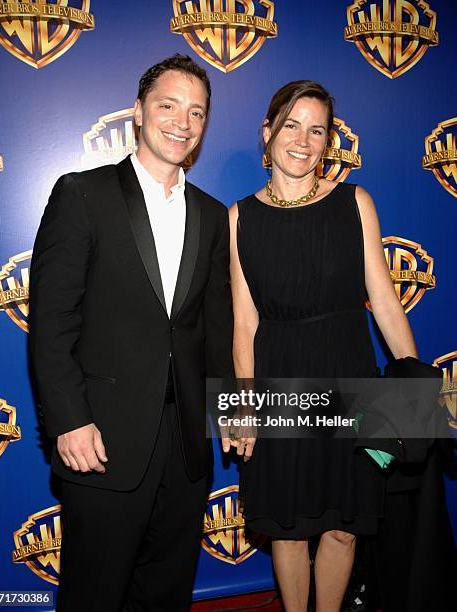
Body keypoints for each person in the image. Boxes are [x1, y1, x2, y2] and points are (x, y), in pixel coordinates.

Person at [29, 54, 233, 612]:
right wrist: (69, 419)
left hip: (186, 448)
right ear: (138, 112)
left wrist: (234, 412)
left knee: (165, 595)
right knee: (94, 595)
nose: (182, 122)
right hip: (101, 441)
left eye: (196, 112)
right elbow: (51, 324)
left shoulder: (213, 216)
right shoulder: (82, 194)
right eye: (168, 105)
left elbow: (215, 329)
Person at [225, 80, 418, 612]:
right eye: (290, 125)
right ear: (267, 134)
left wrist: (414, 392)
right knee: (288, 528)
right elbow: (243, 324)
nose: (303, 140)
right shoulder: (240, 218)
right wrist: (242, 403)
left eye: (317, 129)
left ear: (330, 140)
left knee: (343, 527)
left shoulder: (355, 202)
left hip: (351, 377)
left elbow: (384, 301)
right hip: (279, 384)